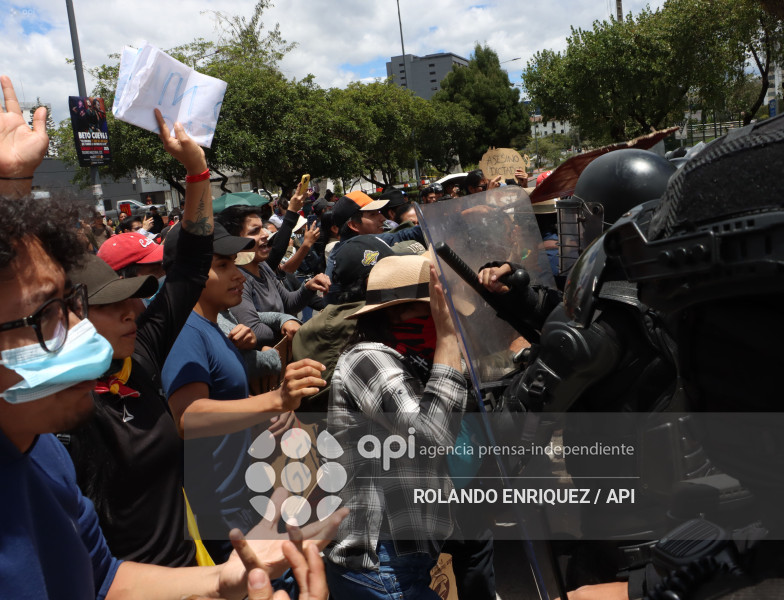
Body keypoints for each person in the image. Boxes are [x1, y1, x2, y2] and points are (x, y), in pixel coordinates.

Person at [0, 74, 343, 600]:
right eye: (46, 317)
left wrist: (225, 580)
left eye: (70, 306)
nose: (77, 332)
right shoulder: (54, 433)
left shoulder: (43, 454)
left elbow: (104, 579)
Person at [324, 254, 467, 599]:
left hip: (408, 557)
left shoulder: (412, 361)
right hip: (381, 562)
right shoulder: (367, 358)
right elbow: (431, 437)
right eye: (430, 312)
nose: (441, 321)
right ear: (393, 315)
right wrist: (448, 339)